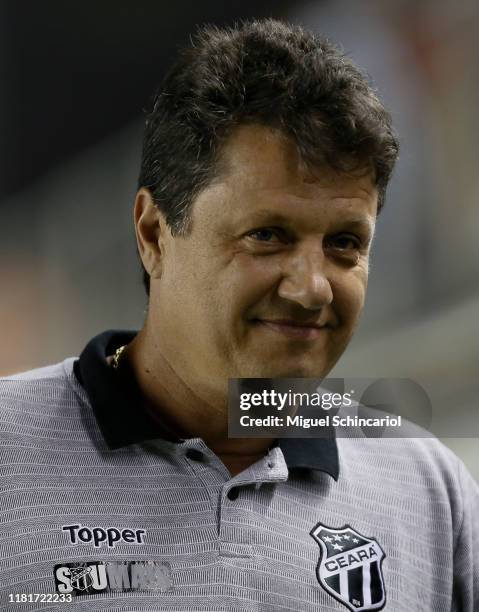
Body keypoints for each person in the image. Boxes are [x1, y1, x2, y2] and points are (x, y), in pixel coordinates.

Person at [1, 19, 477, 612]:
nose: (312, 289)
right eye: (268, 235)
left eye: (345, 244)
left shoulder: (429, 491)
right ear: (153, 233)